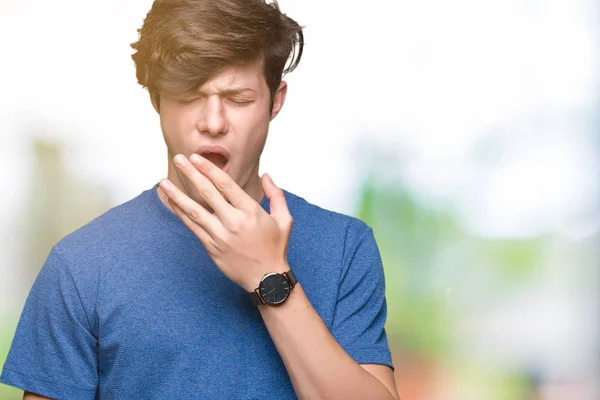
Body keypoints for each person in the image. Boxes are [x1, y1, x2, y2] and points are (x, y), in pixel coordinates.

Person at [0, 0, 400, 399]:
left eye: (239, 99)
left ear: (275, 101)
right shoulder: (82, 264)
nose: (213, 123)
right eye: (190, 96)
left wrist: (269, 276)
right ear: (156, 100)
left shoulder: (345, 246)